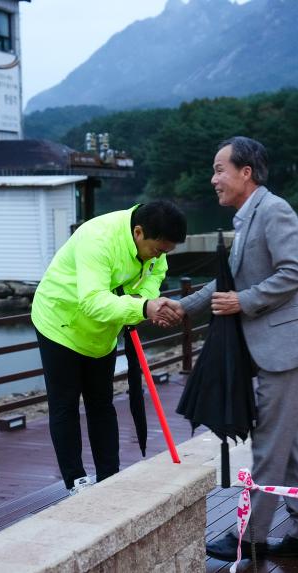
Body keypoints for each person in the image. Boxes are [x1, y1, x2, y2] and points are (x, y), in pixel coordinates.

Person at [176, 136, 298, 562]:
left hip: (286, 350)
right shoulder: (248, 217)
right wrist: (182, 307)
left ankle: (252, 535)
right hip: (284, 349)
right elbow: (228, 283)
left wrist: (244, 301)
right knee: (292, 443)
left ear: (246, 173)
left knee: (268, 443)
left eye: (220, 169)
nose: (213, 179)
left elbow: (294, 273)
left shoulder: (273, 210)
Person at [31, 200, 186, 494]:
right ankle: (76, 481)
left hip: (103, 329)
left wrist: (148, 301)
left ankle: (109, 476)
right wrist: (142, 307)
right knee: (64, 403)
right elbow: (91, 301)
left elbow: (155, 275)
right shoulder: (98, 239)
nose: (161, 256)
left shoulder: (155, 246)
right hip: (60, 321)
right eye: (158, 249)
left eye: (167, 251)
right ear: (138, 232)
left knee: (101, 402)